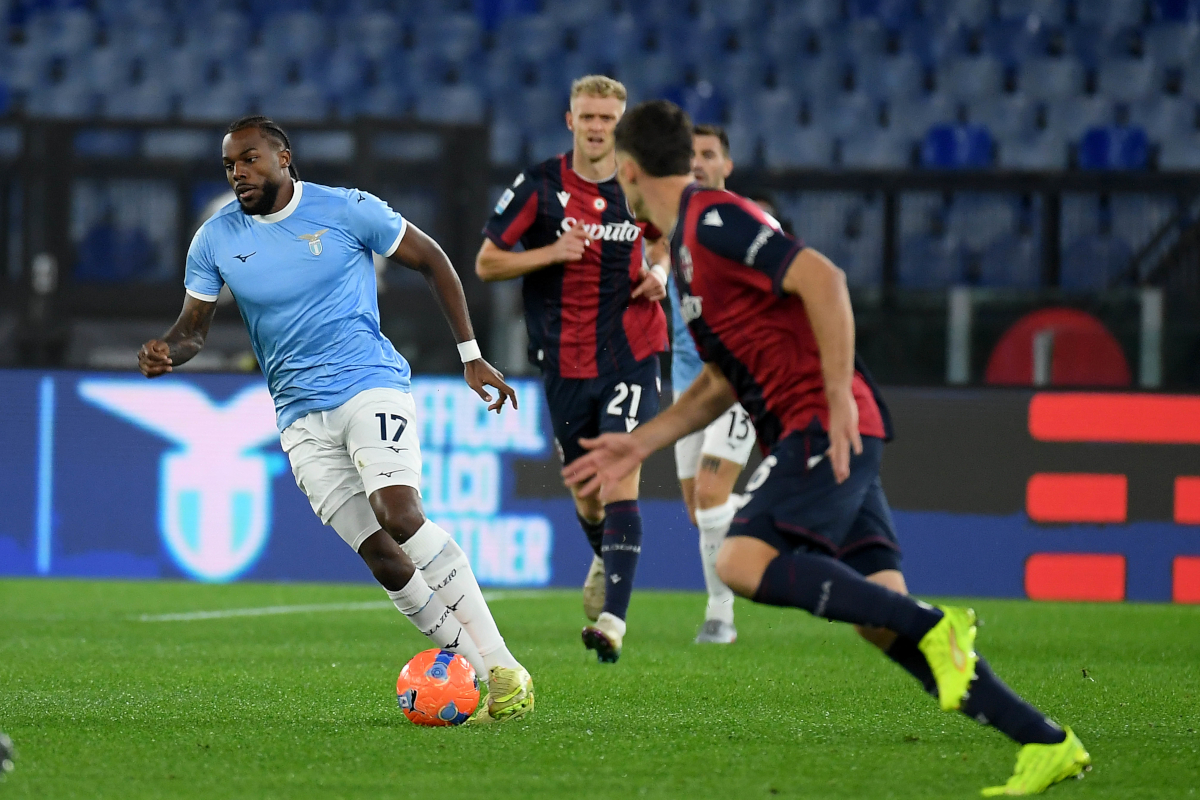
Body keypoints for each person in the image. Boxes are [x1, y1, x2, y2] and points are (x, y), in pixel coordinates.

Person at [565, 100, 1091, 795]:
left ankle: (936, 622)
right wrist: (638, 446)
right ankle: (1045, 741)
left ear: (628, 171)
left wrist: (839, 396)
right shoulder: (687, 253)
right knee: (880, 618)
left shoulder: (716, 218)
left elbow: (823, 279)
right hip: (816, 427)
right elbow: (720, 380)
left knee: (743, 561)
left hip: (823, 423)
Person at [138, 116, 533, 723]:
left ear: (283, 158)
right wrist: (168, 349)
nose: (238, 173)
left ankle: (504, 663)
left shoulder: (346, 210)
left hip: (369, 386)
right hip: (298, 416)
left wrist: (471, 356)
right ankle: (482, 680)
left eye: (248, 160)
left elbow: (432, 260)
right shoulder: (215, 239)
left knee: (399, 514)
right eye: (229, 166)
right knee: (382, 556)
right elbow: (193, 332)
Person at [476, 76, 668, 664]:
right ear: (570, 120)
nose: (596, 127)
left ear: (621, 123)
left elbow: (666, 242)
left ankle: (613, 620)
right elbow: (487, 263)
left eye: (607, 119)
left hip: (633, 350)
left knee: (617, 472)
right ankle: (603, 552)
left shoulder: (640, 183)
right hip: (563, 362)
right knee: (587, 494)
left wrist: (659, 273)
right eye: (587, 116)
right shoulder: (539, 186)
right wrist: (552, 253)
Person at [667, 124, 756, 644]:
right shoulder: (668, 228)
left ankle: (720, 616)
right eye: (690, 155)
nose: (698, 163)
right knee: (702, 515)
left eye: (709, 154)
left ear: (727, 165)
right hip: (687, 386)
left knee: (710, 491)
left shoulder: (743, 226)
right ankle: (780, 523)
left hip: (739, 382)